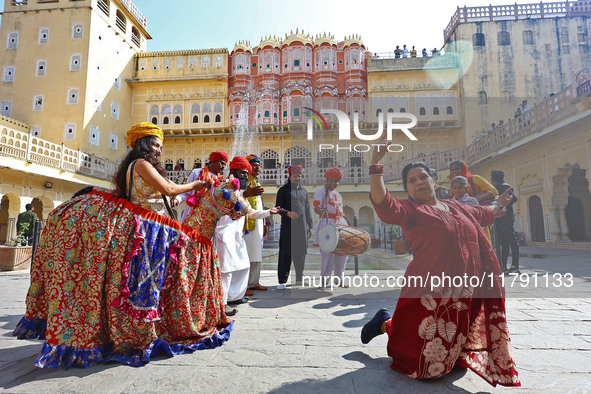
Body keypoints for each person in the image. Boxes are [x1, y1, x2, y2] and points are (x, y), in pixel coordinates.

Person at [14, 122, 234, 368]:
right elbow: (168, 189)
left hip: (152, 225)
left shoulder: (133, 166)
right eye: (157, 145)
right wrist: (195, 185)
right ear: (144, 143)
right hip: (148, 228)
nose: (160, 151)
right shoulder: (141, 164)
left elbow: (165, 195)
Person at [361, 142, 520, 387]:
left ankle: (445, 352)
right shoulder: (410, 210)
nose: (418, 182)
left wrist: (500, 203)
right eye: (411, 181)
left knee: (452, 349)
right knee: (420, 363)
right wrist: (376, 165)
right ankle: (384, 322)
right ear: (408, 190)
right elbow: (384, 205)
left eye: (423, 177)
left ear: (434, 182)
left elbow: (485, 212)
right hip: (428, 290)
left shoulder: (458, 207)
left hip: (464, 289)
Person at [216, 157, 281, 314]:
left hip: (237, 236)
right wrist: (245, 194)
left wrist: (268, 212)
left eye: (247, 173)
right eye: (242, 173)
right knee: (226, 270)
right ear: (233, 172)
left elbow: (249, 212)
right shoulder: (223, 186)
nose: (245, 176)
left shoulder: (239, 191)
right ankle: (221, 303)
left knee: (243, 265)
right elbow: (225, 204)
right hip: (224, 234)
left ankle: (235, 296)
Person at [275, 165, 313, 289]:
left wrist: (310, 225)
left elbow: (307, 210)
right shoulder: (283, 191)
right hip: (288, 228)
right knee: (286, 254)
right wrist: (288, 213)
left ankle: (299, 279)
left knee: (301, 254)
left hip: (301, 228)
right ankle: (282, 281)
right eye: (295, 176)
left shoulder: (304, 191)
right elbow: (277, 208)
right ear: (290, 176)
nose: (298, 179)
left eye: (299, 176)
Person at [313, 168, 348, 289]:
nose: (334, 183)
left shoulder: (338, 194)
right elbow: (316, 208)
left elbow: (341, 212)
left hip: (339, 225)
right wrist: (322, 210)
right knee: (327, 255)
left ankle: (339, 280)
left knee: (342, 255)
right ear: (326, 180)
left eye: (336, 181)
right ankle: (324, 282)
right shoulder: (321, 191)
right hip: (327, 225)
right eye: (331, 181)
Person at [449, 160, 498, 241]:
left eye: (457, 169)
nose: (454, 172)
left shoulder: (474, 179)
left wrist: (477, 199)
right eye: (452, 170)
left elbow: (493, 191)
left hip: (476, 219)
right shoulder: (454, 184)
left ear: (463, 169)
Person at [175, 151, 228, 222]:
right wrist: (177, 200)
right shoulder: (196, 173)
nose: (223, 167)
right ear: (214, 161)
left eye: (225, 164)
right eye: (222, 163)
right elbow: (185, 192)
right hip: (192, 212)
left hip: (209, 217)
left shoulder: (220, 180)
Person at [244, 154, 269, 293]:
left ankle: (254, 282)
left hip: (258, 223)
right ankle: (245, 284)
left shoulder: (257, 183)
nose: (258, 168)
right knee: (247, 254)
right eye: (254, 165)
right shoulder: (244, 182)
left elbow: (260, 205)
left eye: (259, 165)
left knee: (256, 253)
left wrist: (264, 224)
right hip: (248, 224)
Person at [491, 170, 520, 274]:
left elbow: (514, 198)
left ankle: (515, 265)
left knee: (511, 241)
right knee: (504, 243)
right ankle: (503, 266)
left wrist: (502, 205)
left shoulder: (504, 186)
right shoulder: (499, 187)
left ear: (493, 180)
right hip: (500, 219)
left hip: (506, 218)